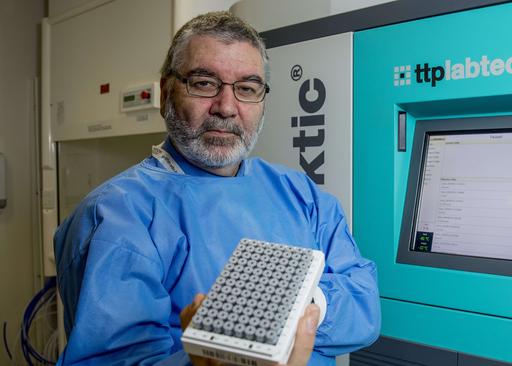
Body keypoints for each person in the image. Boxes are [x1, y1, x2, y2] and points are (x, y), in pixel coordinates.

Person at [54, 11, 381, 366]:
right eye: (204, 83)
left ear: (262, 101)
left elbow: (363, 307)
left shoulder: (301, 193)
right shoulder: (116, 215)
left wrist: (276, 309)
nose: (226, 107)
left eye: (247, 88)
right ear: (166, 92)